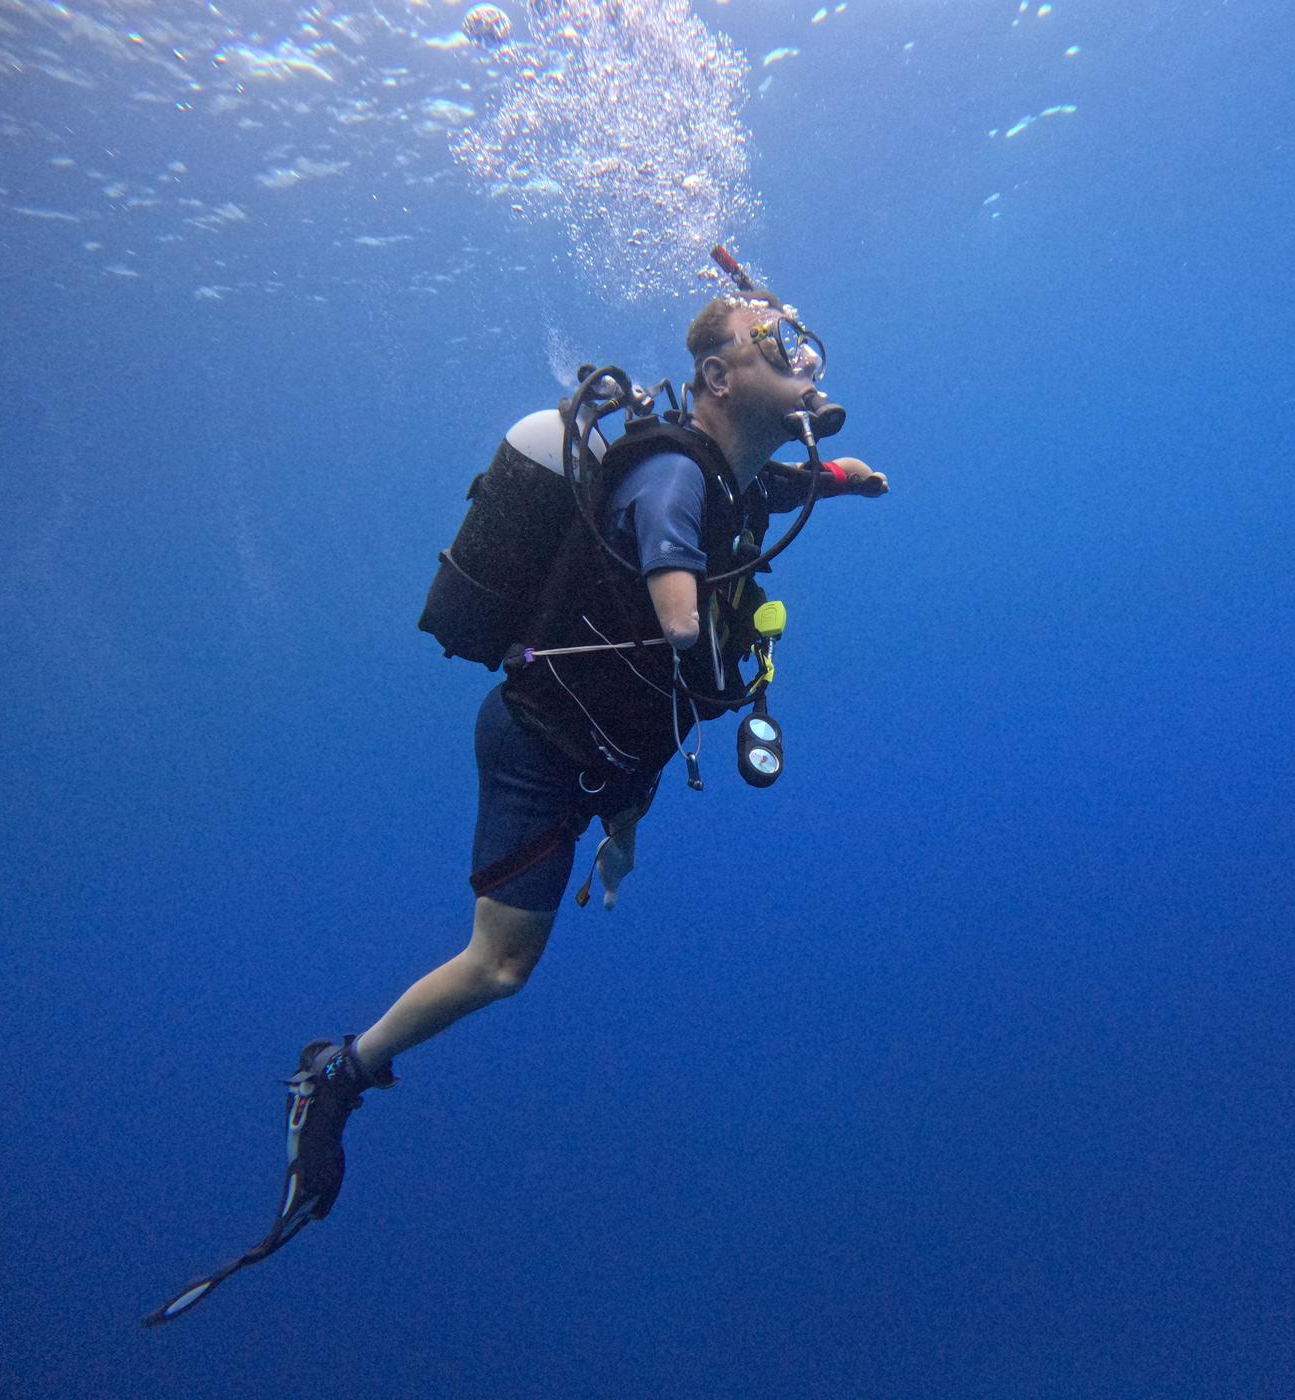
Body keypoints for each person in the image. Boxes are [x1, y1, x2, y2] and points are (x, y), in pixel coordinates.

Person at [145, 284, 886, 1324]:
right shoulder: (674, 472)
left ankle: (612, 853)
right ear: (717, 379)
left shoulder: (734, 475)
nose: (802, 353)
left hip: (618, 745)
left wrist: (838, 480)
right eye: (776, 342)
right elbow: (672, 563)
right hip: (542, 749)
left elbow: (757, 502)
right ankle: (338, 1072)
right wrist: (686, 608)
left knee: (620, 821)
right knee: (503, 965)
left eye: (799, 334)